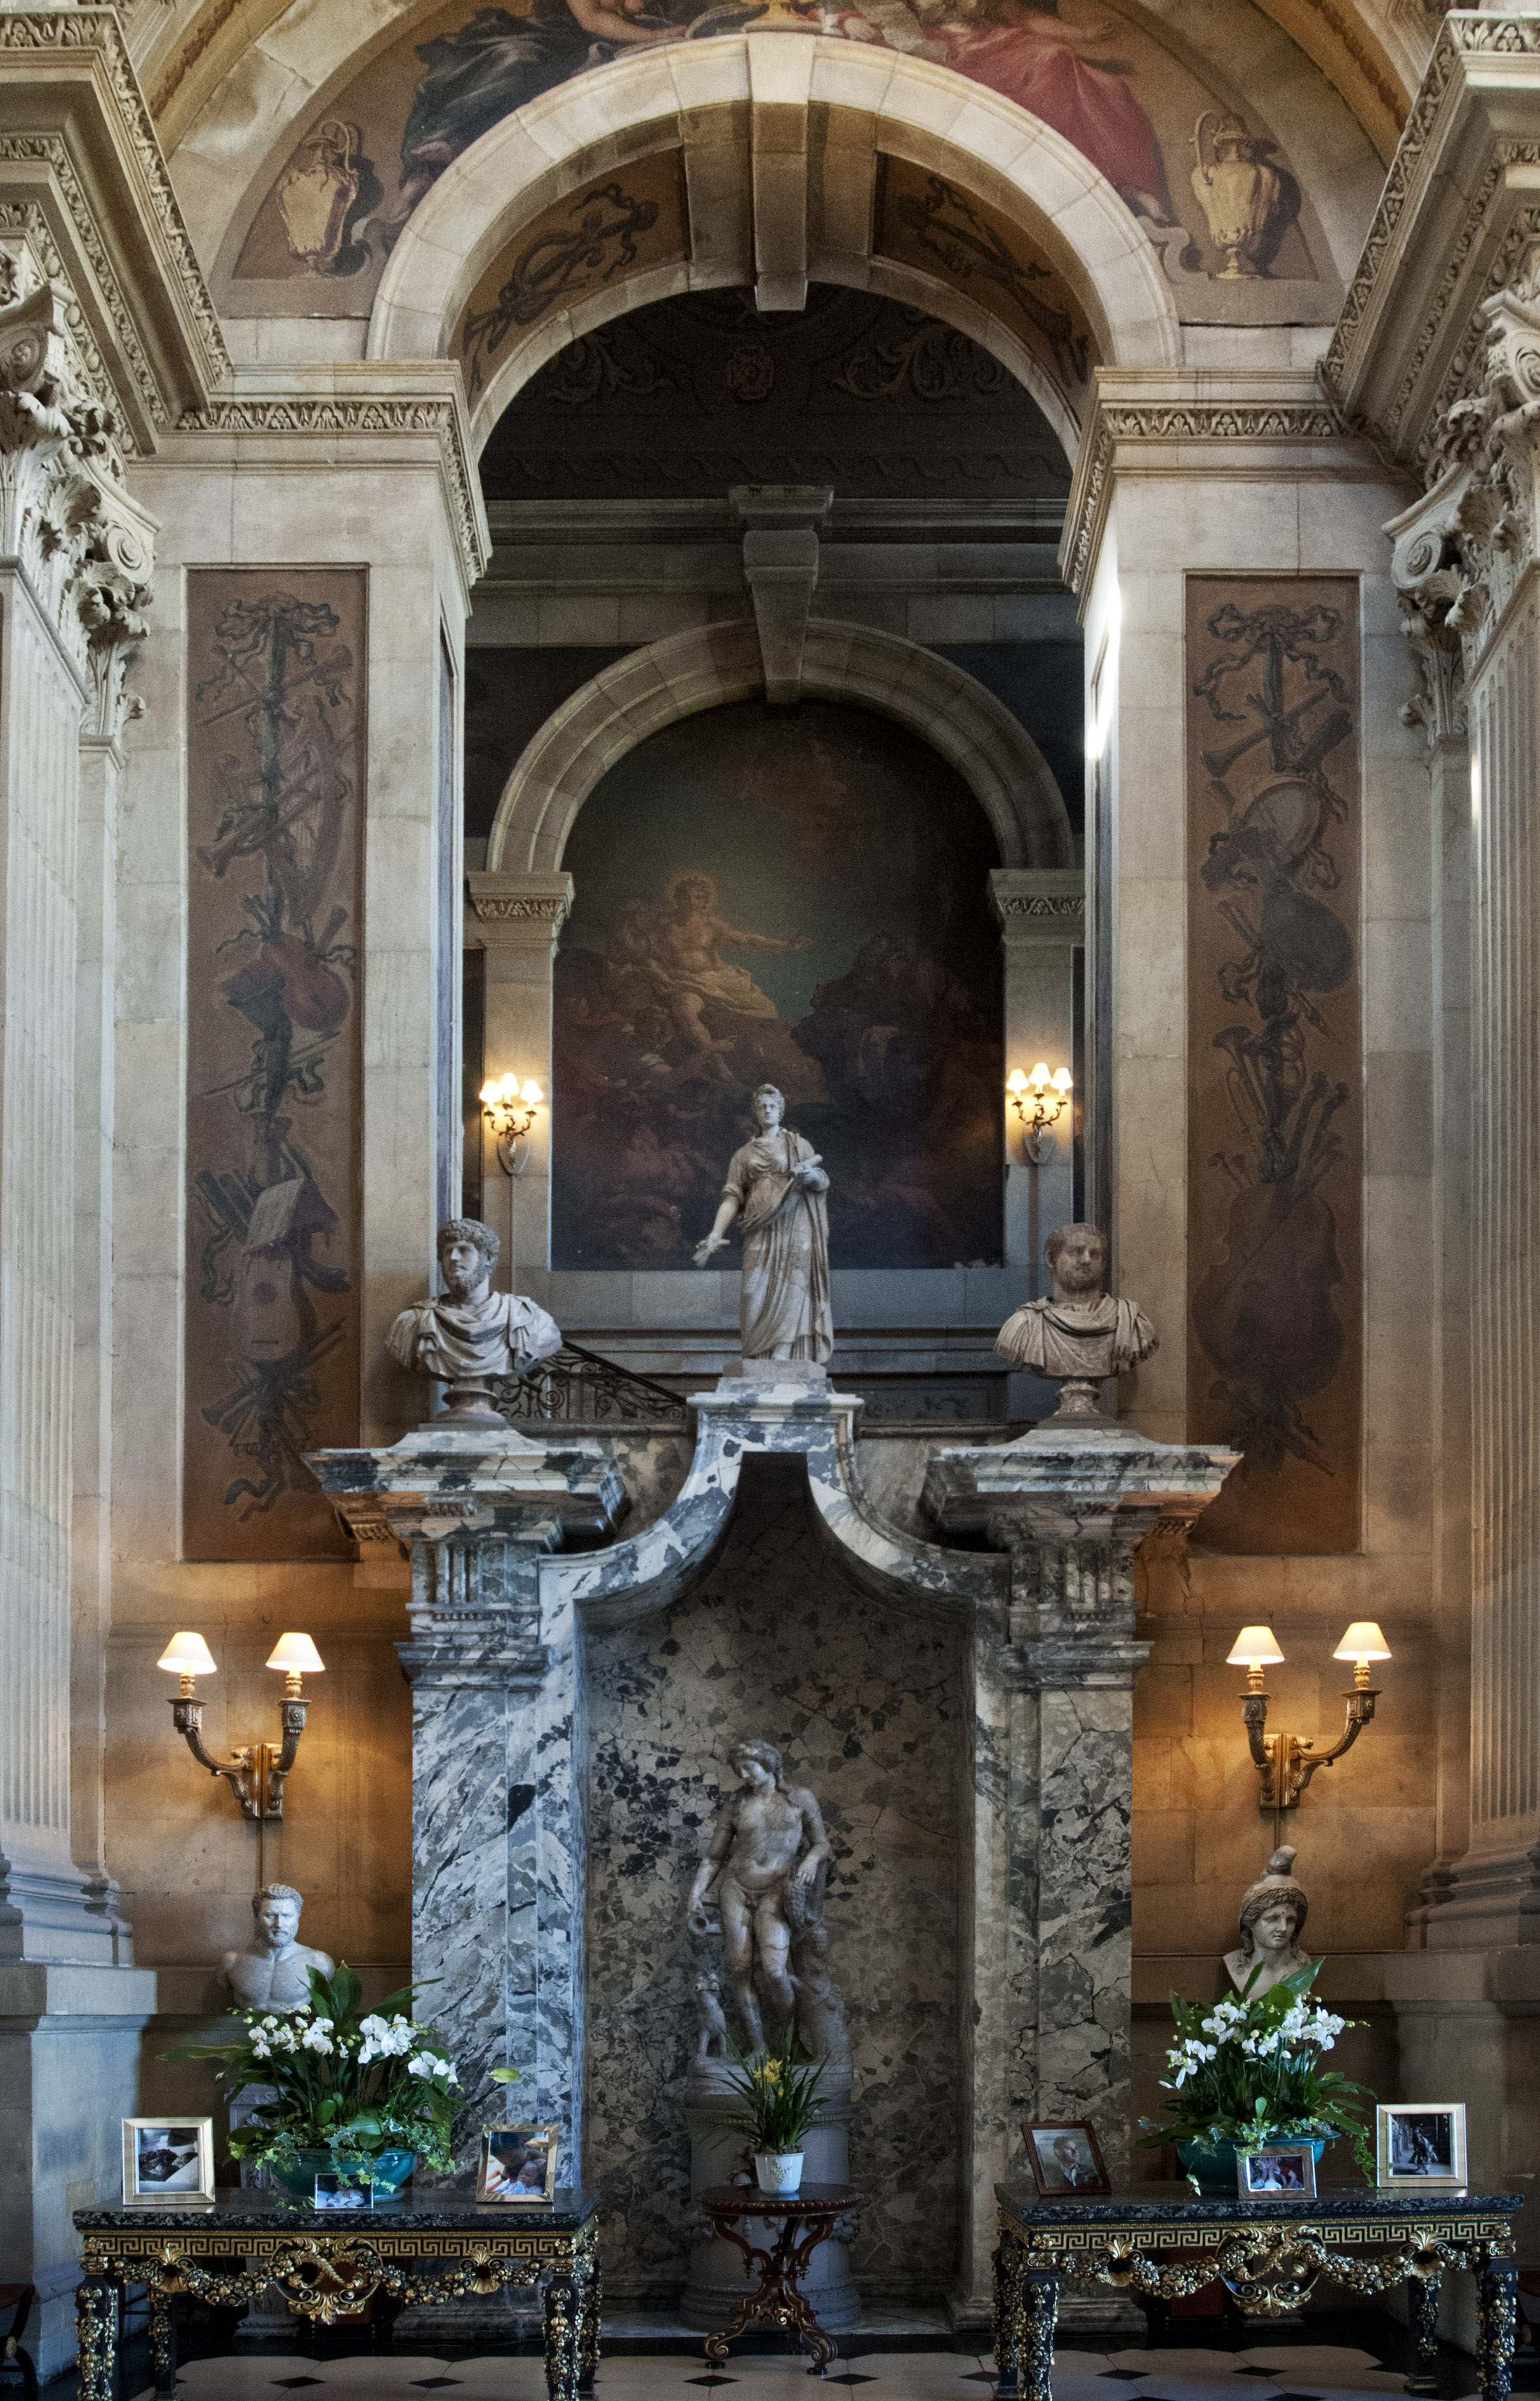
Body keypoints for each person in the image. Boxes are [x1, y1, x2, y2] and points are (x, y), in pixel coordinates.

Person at [686, 1740, 833, 2052]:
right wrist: (696, 1893)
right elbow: (714, 1858)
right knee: (741, 1971)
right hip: (736, 1887)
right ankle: (759, 2049)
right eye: (739, 1770)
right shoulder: (736, 1805)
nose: (744, 1775)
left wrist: (809, 1861)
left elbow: (822, 1843)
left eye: (749, 1768)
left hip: (778, 1888)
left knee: (775, 1971)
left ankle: (790, 2044)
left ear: (769, 1764)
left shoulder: (800, 1798)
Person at [694, 1085, 833, 1362]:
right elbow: (732, 1196)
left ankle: (784, 1354)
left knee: (794, 1285)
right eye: (762, 1107)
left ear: (780, 1110)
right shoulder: (744, 1154)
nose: (767, 1110)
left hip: (795, 1224)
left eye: (772, 1106)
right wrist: (715, 1233)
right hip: (759, 1227)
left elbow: (821, 1181)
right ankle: (757, 1356)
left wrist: (811, 1179)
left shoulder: (799, 1145)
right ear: (756, 1114)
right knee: (752, 1293)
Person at [386, 1218, 561, 1414]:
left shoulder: (528, 1319)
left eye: (464, 1250)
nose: (453, 1257)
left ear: (487, 1257)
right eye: (447, 1251)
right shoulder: (412, 1323)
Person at [994, 1222, 1156, 1416]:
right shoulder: (1024, 1325)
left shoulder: (1133, 1323)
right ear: (1051, 1259)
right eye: (1076, 1252)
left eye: (1094, 1254)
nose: (1086, 1260)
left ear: (1103, 1263)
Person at [221, 1882, 334, 2012]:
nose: (279, 1924)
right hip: (243, 2030)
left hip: (298, 2030)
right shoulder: (232, 1961)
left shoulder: (319, 1962)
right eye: (270, 1916)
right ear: (256, 1916)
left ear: (298, 1916)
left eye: (287, 1916)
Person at [1224, 1846, 1313, 1999]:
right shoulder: (1234, 1964)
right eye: (1272, 1919)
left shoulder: (1304, 1965)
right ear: (1251, 1922)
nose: (1283, 1928)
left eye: (1290, 1920)